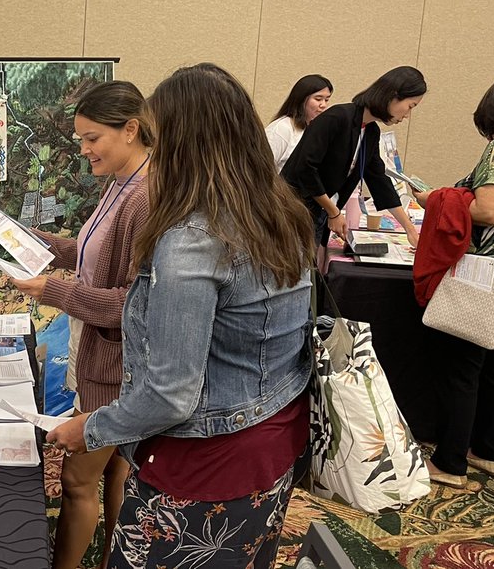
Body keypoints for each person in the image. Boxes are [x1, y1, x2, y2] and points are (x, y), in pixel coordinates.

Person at [48, 63, 314, 569]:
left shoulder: (192, 242)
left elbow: (171, 394)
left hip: (204, 462)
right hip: (274, 439)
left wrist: (94, 428)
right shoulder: (282, 213)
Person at [9, 80, 153, 569]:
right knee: (115, 469)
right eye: (81, 139)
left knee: (76, 479)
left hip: (115, 365)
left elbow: (133, 303)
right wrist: (44, 244)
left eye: (93, 139)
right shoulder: (122, 182)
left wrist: (52, 290)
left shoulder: (144, 197)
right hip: (101, 354)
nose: (85, 150)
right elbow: (95, 254)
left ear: (130, 129)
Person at [415, 74, 494, 489]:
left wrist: (438, 200)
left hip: (485, 273)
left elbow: (493, 209)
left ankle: (450, 463)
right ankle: (490, 451)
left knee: (461, 369)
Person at [282, 66, 424, 254]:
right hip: (293, 212)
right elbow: (305, 169)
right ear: (393, 96)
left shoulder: (371, 131)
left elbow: (379, 181)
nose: (407, 115)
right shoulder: (337, 117)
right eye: (410, 106)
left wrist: (410, 229)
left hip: (318, 215)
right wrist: (333, 212)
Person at [265, 74, 333, 172]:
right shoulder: (282, 128)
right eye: (318, 99)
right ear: (301, 99)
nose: (323, 105)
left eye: (326, 100)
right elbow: (262, 167)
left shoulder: (315, 129)